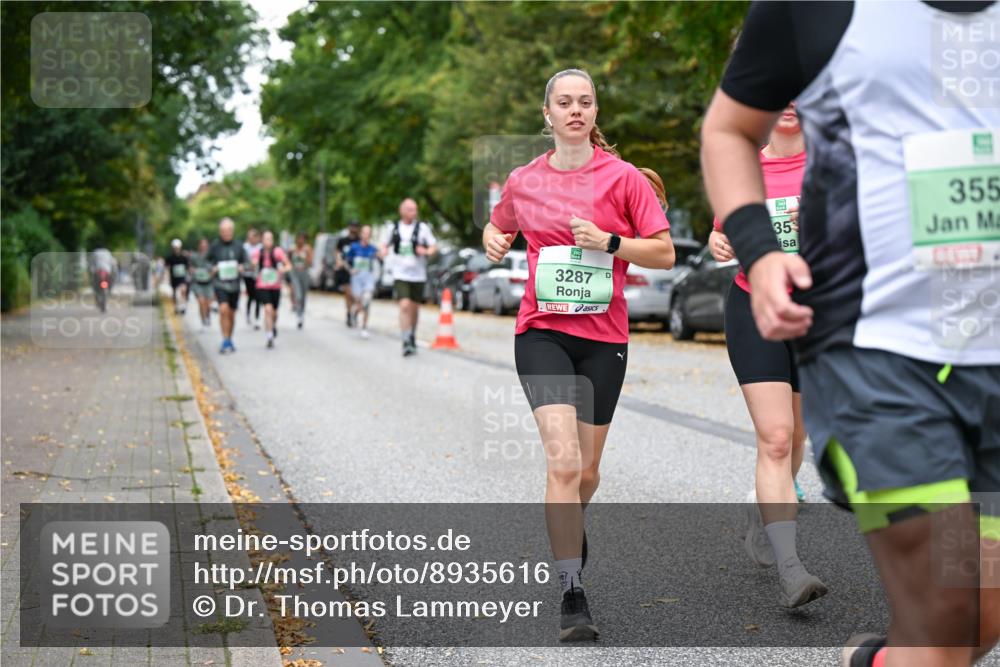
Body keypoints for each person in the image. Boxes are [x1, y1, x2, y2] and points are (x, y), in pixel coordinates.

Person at [700, 3, 999, 665]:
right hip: (874, 348)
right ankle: (786, 558)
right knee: (947, 598)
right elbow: (727, 129)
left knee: (979, 611)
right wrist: (758, 248)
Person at [483, 68, 675, 642]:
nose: (574, 110)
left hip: (604, 338)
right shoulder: (522, 180)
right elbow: (499, 232)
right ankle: (572, 590)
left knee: (587, 472)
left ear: (595, 112)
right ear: (548, 114)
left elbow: (663, 253)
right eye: (564, 102)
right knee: (564, 465)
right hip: (541, 332)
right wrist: (493, 242)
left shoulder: (622, 179)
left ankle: (571, 522)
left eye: (584, 102)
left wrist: (609, 242)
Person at [708, 101, 827, 608]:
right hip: (754, 303)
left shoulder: (833, 164)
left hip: (818, 310)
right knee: (776, 437)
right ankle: (790, 567)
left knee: (798, 434)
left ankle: (762, 509)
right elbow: (722, 232)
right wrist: (719, 242)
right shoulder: (743, 165)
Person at [379, 199, 437, 356]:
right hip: (400, 274)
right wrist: (383, 251)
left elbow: (433, 247)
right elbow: (384, 245)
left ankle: (411, 334)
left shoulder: (422, 228)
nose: (414, 212)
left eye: (415, 209)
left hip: (418, 275)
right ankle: (405, 340)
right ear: (402, 210)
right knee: (404, 305)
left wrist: (425, 251)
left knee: (414, 308)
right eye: (410, 209)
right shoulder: (394, 228)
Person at [207, 218, 248, 354]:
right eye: (224, 230)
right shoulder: (215, 246)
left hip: (235, 285)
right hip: (220, 284)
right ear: (220, 231)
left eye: (229, 230)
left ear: (233, 231)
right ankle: (224, 340)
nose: (226, 233)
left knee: (231, 314)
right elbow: (205, 261)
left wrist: (243, 267)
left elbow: (248, 263)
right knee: (223, 309)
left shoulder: (239, 246)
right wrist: (212, 268)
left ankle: (229, 338)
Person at [252, 231, 289, 349]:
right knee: (268, 309)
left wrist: (282, 269)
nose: (268, 241)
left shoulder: (278, 251)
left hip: (275, 286)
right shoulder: (258, 252)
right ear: (262, 240)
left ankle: (273, 326)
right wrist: (254, 264)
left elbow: (288, 265)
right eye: (266, 239)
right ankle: (269, 336)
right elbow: (253, 263)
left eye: (270, 239)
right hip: (262, 285)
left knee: (274, 312)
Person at [347, 225, 378, 338]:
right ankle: (354, 312)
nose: (366, 235)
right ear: (361, 234)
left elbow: (379, 258)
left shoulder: (373, 249)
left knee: (367, 301)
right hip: (357, 278)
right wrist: (351, 269)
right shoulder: (354, 247)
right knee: (359, 302)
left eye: (369, 233)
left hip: (368, 277)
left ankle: (364, 327)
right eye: (365, 233)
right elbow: (345, 260)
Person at [336, 222, 361, 327]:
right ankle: (349, 313)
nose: (353, 229)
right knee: (348, 293)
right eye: (352, 226)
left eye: (356, 226)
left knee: (357, 295)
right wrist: (338, 261)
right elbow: (337, 253)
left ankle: (354, 311)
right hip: (345, 270)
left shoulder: (360, 241)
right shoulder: (343, 241)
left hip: (358, 270)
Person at [288, 232, 313, 329]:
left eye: (303, 239)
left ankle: (302, 313)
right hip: (295, 274)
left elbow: (310, 263)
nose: (300, 240)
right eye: (299, 238)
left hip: (304, 274)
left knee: (303, 296)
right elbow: (288, 260)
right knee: (298, 295)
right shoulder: (292, 249)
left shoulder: (308, 249)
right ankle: (298, 315)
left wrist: (304, 257)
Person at [189, 238, 215, 330]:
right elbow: (190, 268)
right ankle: (203, 320)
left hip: (209, 283)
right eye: (202, 245)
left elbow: (215, 267)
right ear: (199, 246)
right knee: (201, 302)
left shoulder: (212, 256)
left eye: (205, 245)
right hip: (198, 283)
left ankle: (207, 315)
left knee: (207, 304)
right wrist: (193, 271)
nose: (203, 247)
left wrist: (212, 273)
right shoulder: (194, 256)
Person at [242, 227, 262, 330]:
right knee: (250, 296)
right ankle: (248, 314)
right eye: (250, 237)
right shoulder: (245, 247)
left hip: (258, 276)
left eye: (254, 237)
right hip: (248, 275)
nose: (252, 239)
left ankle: (257, 318)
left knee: (258, 296)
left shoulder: (260, 248)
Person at [165, 239, 190, 315]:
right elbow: (167, 268)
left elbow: (188, 267)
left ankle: (183, 306)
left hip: (182, 277)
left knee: (183, 290)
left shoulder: (184, 257)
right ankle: (176, 306)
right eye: (175, 248)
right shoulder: (170, 258)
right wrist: (167, 276)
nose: (176, 249)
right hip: (174, 278)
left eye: (178, 247)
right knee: (175, 293)